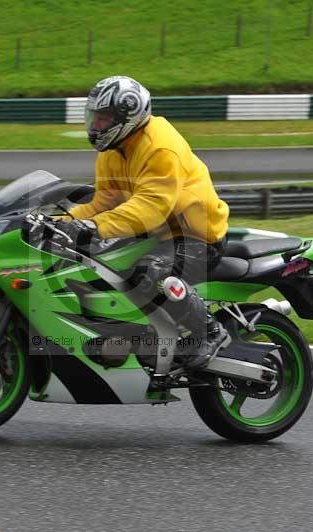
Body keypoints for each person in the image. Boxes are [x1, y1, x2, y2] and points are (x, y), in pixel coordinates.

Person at [55, 75, 230, 370]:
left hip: (195, 236)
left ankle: (209, 332)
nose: (96, 126)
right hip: (154, 235)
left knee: (151, 274)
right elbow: (103, 203)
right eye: (95, 117)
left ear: (128, 117)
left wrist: (96, 228)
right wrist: (62, 222)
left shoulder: (161, 147)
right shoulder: (113, 150)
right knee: (91, 268)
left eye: (104, 118)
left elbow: (151, 207)